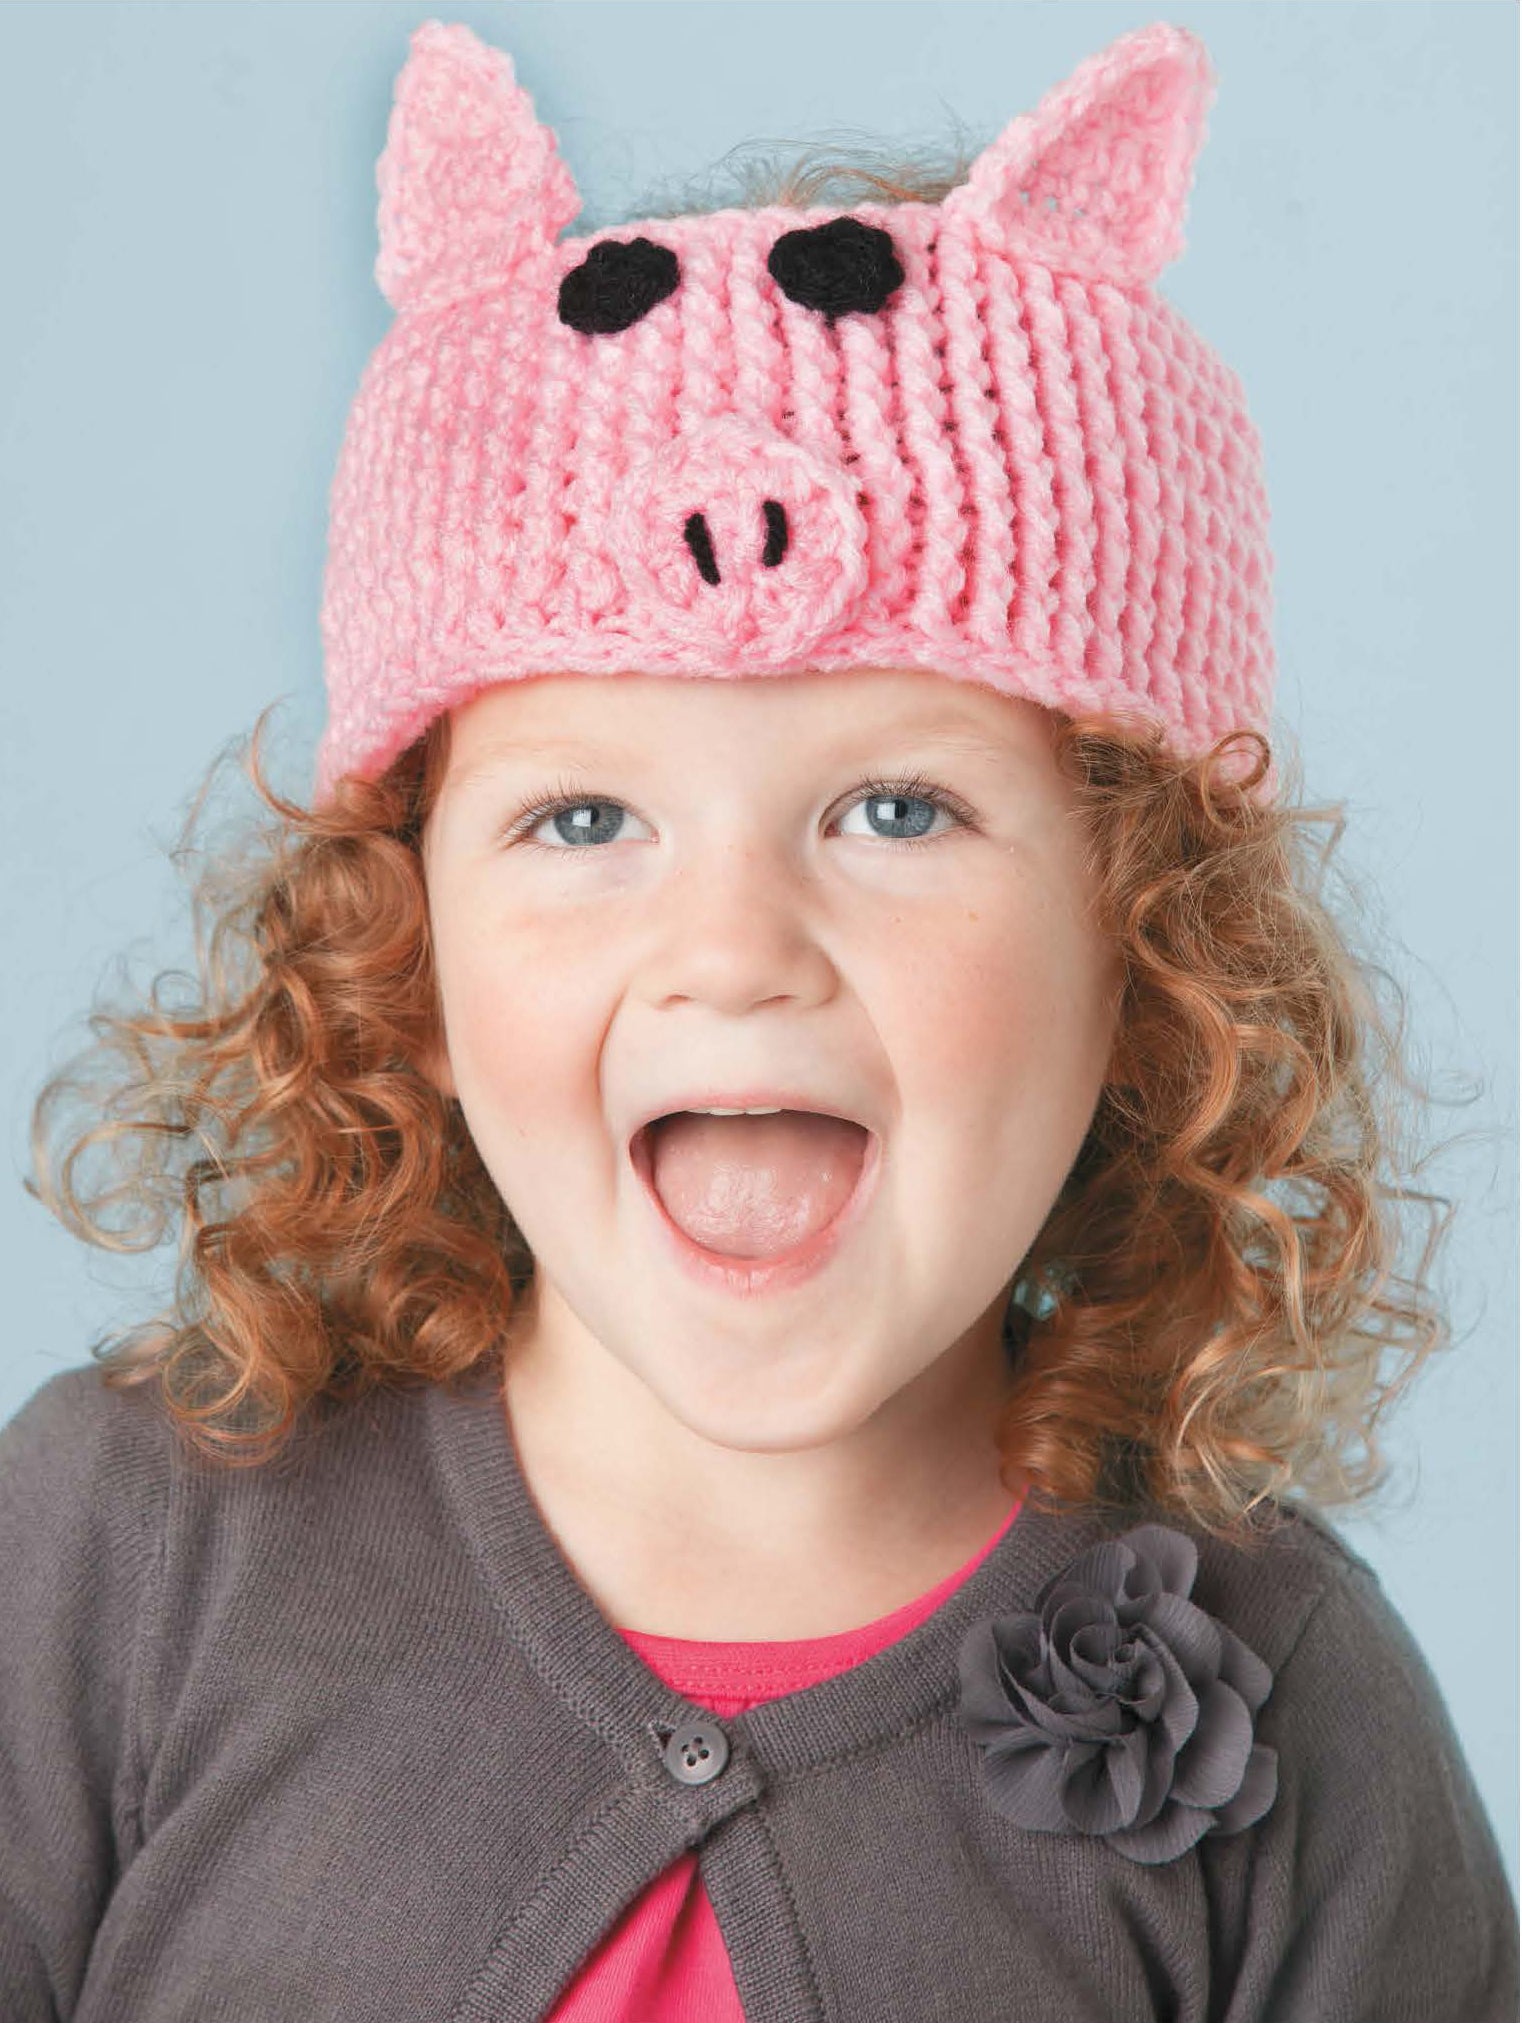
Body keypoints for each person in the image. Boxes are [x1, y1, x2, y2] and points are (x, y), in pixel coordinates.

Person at [3, 16, 1515, 2022]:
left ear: (1149, 962)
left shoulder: (1296, 1723)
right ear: (404, 960)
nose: (733, 947)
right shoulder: (124, 1549)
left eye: (894, 809)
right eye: (581, 815)